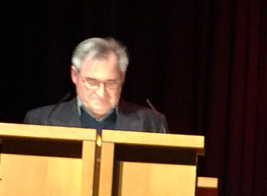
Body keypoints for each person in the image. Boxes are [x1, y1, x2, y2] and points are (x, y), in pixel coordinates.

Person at [24, 37, 168, 132]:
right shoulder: (40, 121)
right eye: (92, 82)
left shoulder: (152, 123)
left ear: (122, 78)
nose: (101, 93)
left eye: (110, 83)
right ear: (74, 75)